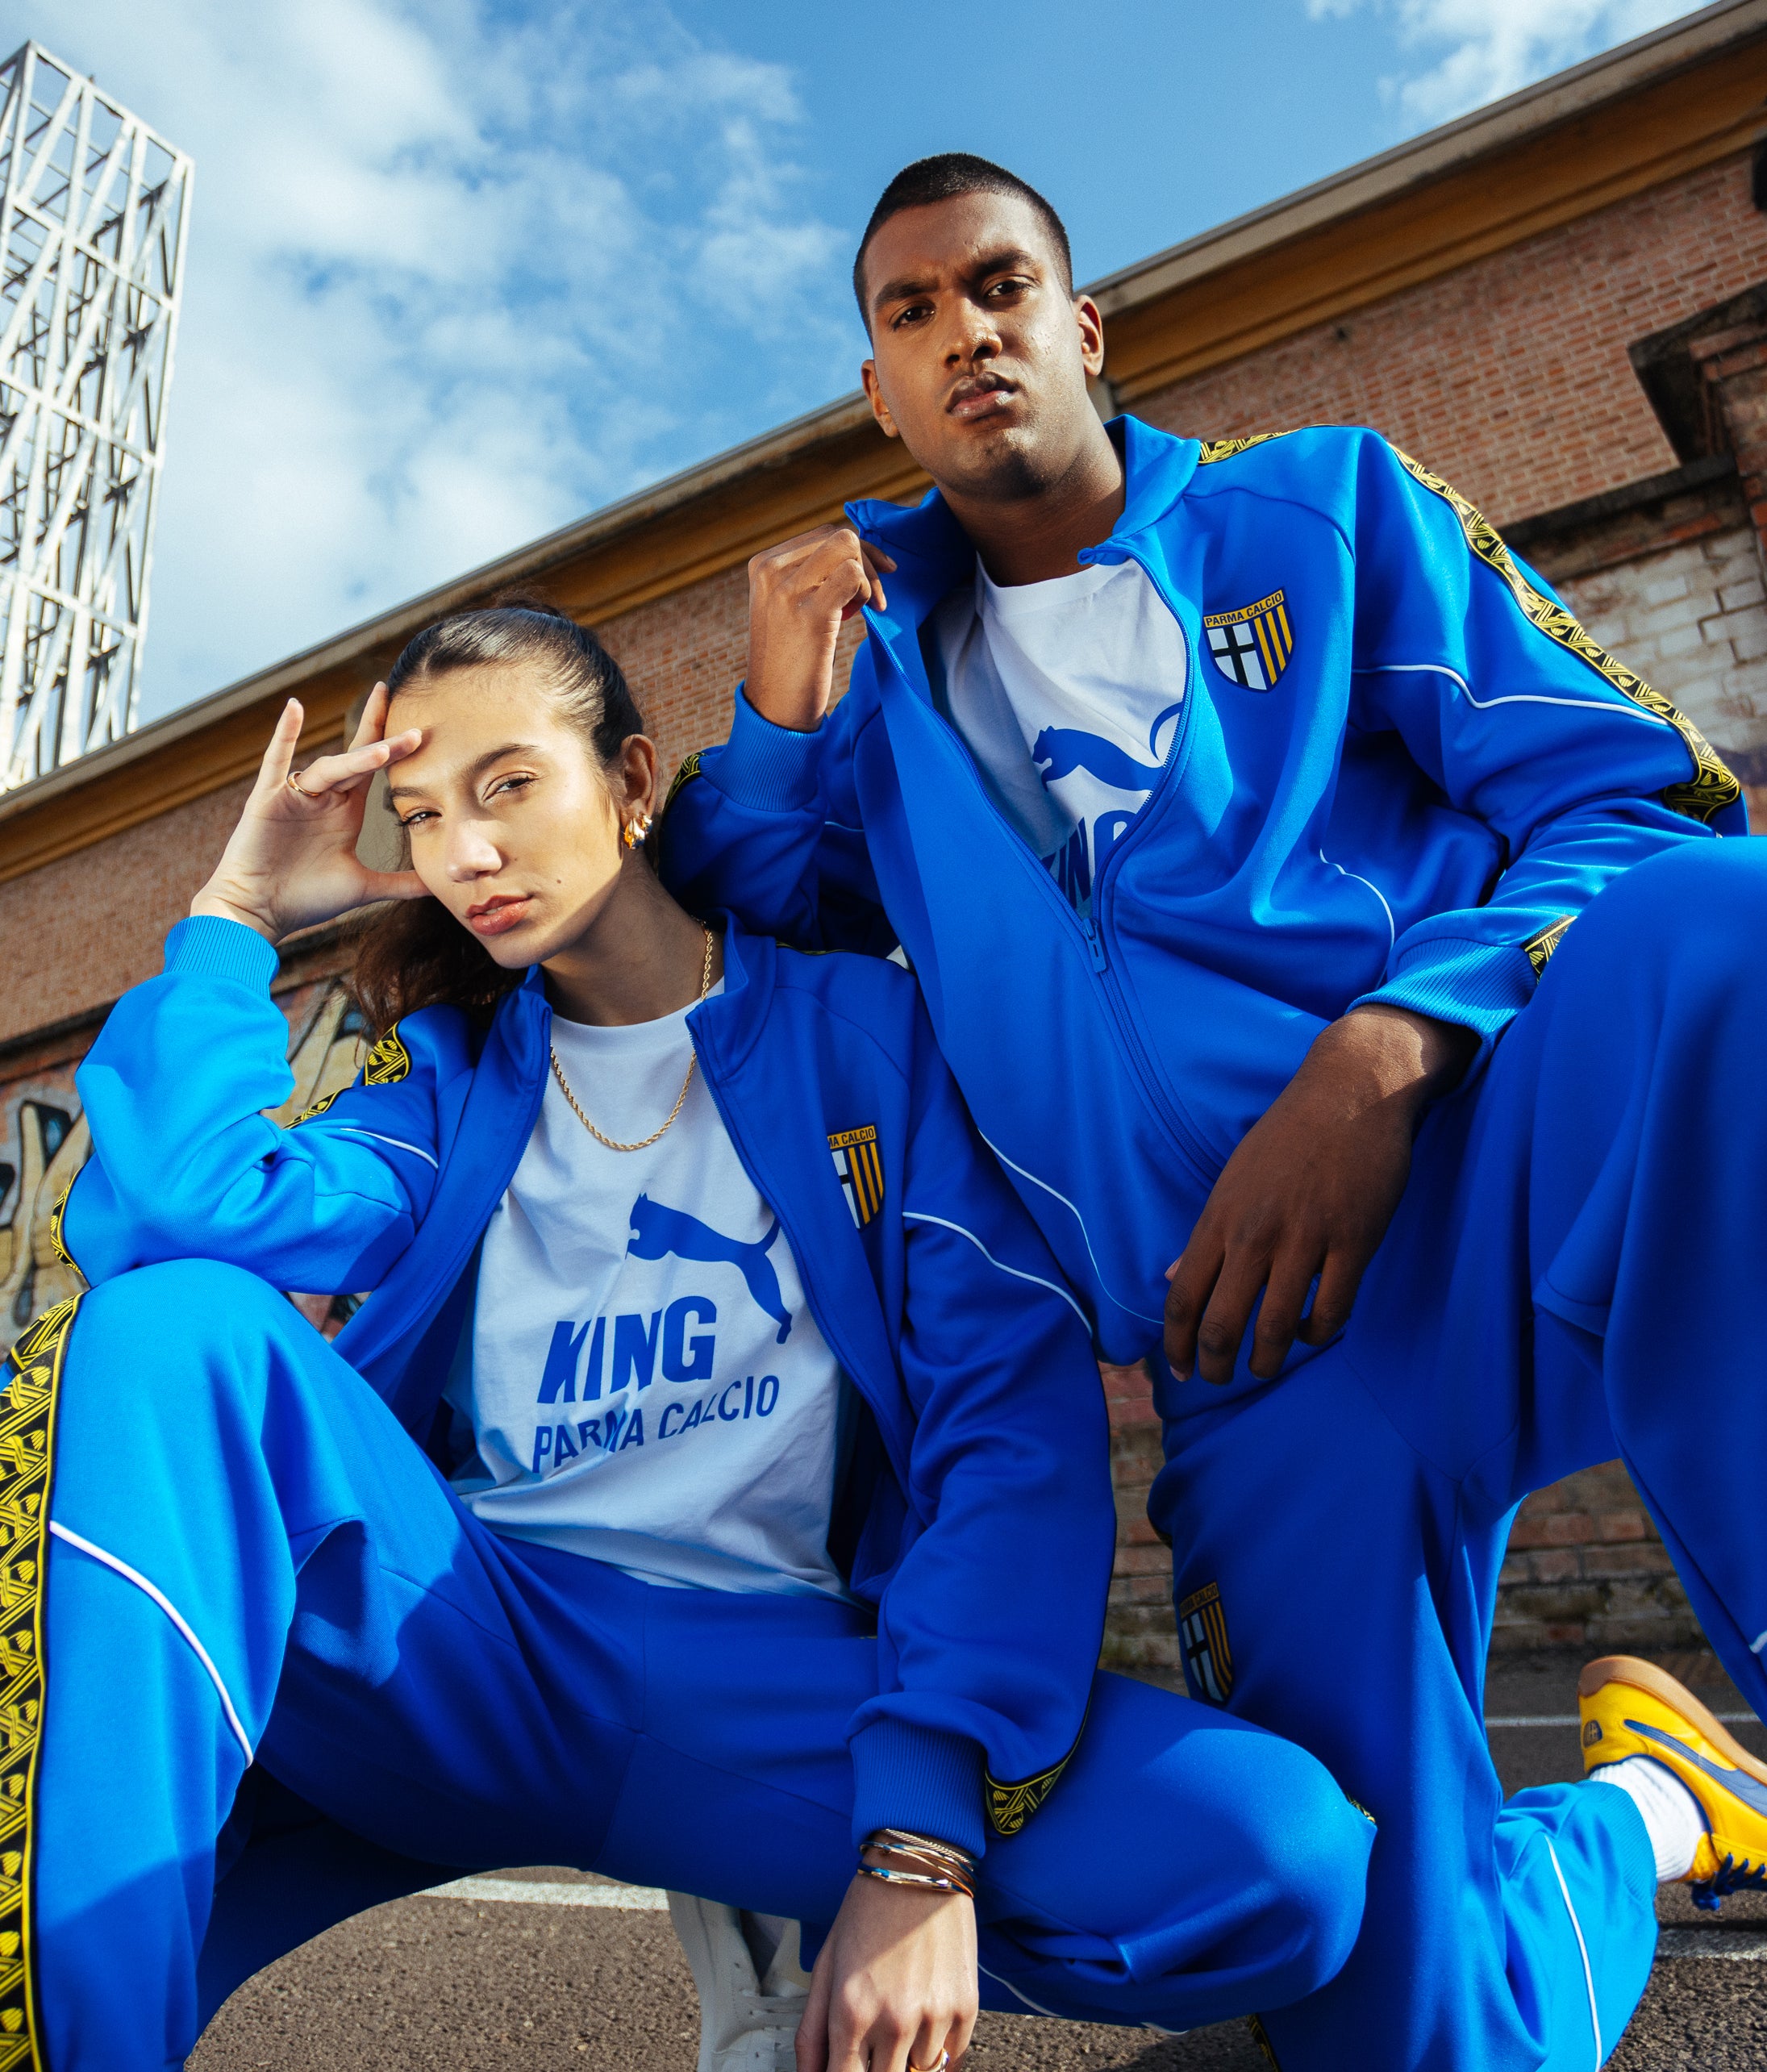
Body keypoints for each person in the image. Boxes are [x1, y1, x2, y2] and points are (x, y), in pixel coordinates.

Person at [659, 152, 1767, 2069]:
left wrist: (1387, 1047)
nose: (964, 333)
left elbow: (1647, 794)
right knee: (1399, 2031)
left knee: (1725, 937)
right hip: (1248, 1349)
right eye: (912, 314)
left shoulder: (1322, 511)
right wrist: (769, 728)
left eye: (998, 286)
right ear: (879, 397)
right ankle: (1650, 1809)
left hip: (1488, 1172)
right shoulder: (873, 705)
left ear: (1081, 327)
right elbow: (740, 933)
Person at [9, 599, 1373, 2072]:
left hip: (771, 1686)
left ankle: (770, 1896)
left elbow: (1007, 1434)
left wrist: (918, 1846)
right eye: (424, 816)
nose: (466, 853)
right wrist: (236, 916)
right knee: (173, 1324)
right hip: (464, 1645)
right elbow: (175, 1208)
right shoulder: (444, 1089)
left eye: (507, 784)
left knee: (1279, 1857)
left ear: (634, 780)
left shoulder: (869, 1042)